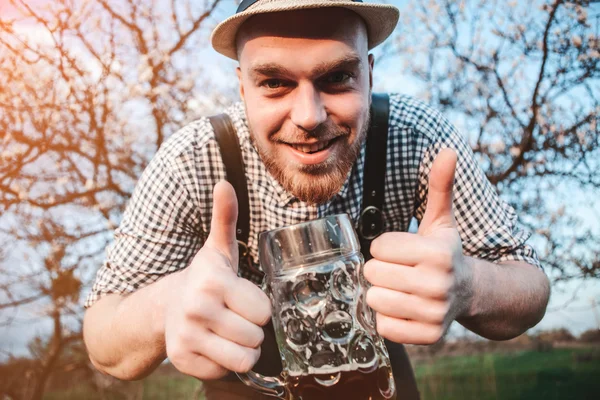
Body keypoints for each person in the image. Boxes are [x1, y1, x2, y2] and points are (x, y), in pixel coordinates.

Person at [83, 0, 551, 398]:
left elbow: (528, 284)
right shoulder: (191, 161)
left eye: (337, 77)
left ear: (369, 71)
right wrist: (168, 302)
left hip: (378, 380)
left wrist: (469, 284)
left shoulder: (417, 137)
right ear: (241, 85)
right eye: (274, 82)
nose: (308, 116)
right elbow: (103, 337)